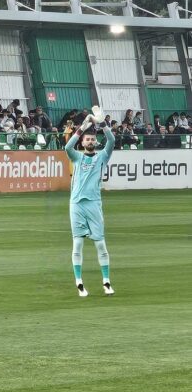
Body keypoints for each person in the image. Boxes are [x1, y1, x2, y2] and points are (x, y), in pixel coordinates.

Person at [64, 114, 116, 298]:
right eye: (88, 139)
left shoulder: (103, 156)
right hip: (76, 204)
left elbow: (111, 139)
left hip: (94, 204)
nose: (91, 141)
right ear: (83, 142)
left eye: (93, 139)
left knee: (100, 244)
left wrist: (101, 123)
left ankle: (106, 281)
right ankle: (79, 282)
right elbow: (67, 146)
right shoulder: (77, 157)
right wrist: (82, 126)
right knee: (77, 243)